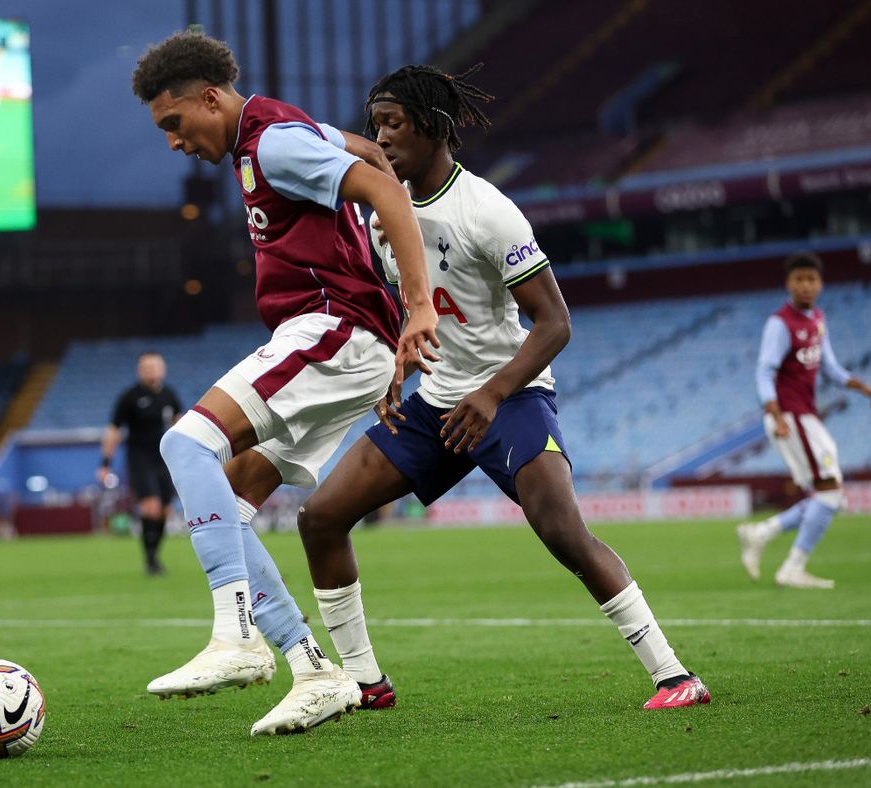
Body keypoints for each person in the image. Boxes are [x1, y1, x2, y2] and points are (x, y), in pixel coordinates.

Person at [296, 64, 710, 712]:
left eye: (393, 124)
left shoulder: (487, 211)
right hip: (437, 405)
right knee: (320, 518)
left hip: (510, 398)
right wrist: (392, 365)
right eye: (375, 124)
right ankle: (367, 685)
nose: (382, 138)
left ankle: (675, 675)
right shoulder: (381, 212)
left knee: (563, 532)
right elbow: (404, 303)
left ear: (433, 127)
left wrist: (491, 395)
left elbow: (555, 323)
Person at [131, 32, 440, 735]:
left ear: (210, 97)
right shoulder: (273, 128)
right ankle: (313, 669)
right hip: (342, 339)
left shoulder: (272, 144)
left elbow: (380, 185)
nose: (174, 143)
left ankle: (236, 636)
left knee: (187, 445)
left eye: (174, 123)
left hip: (334, 327)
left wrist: (418, 305)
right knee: (234, 495)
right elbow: (362, 148)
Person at [737, 253, 871, 589]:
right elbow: (764, 371)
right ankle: (791, 568)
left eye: (811, 279)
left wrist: (859, 386)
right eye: (799, 279)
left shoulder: (817, 319)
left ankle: (761, 533)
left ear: (821, 283)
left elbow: (829, 366)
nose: (805, 285)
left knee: (831, 495)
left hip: (805, 416)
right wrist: (775, 412)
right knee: (830, 493)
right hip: (790, 416)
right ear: (788, 283)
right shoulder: (780, 324)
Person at [98, 352, 183, 575]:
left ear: (163, 369)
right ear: (139, 370)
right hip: (140, 459)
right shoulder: (130, 397)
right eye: (146, 367)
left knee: (165, 510)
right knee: (151, 507)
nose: (151, 370)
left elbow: (181, 421)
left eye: (155, 366)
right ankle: (150, 560)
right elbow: (113, 431)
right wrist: (105, 462)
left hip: (164, 458)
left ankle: (154, 554)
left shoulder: (169, 394)